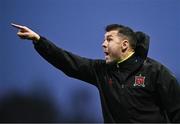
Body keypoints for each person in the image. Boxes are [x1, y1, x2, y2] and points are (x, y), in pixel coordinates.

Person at [12, 23, 180, 123]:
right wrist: (39, 41)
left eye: (109, 39)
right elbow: (67, 62)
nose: (103, 44)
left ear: (125, 45)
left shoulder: (155, 71)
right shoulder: (101, 71)